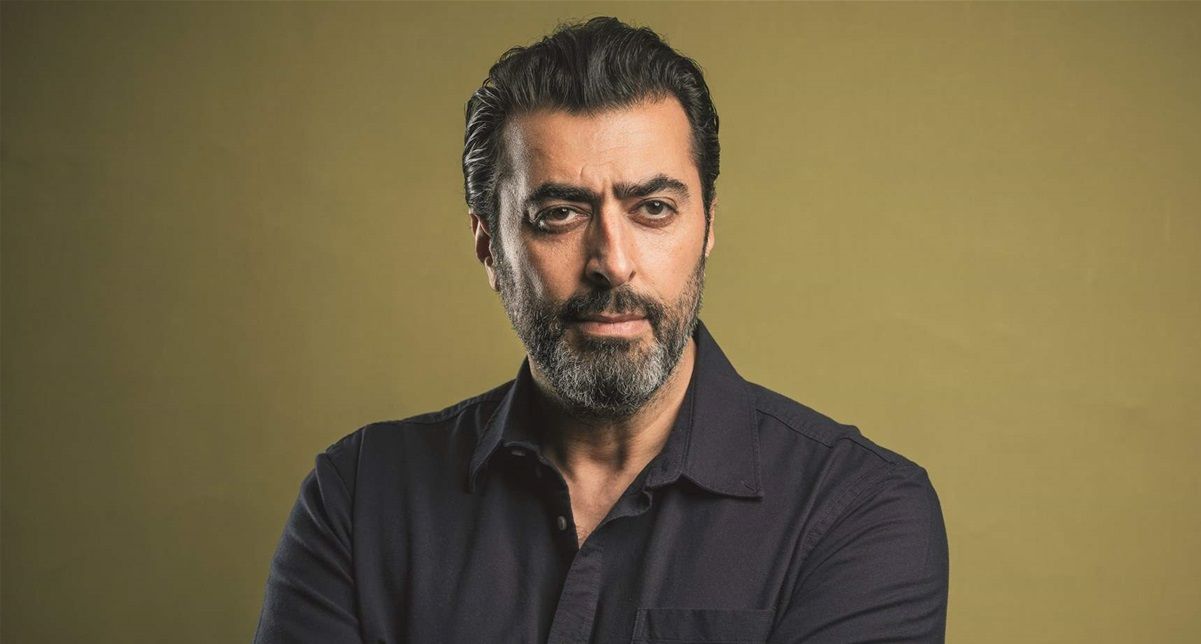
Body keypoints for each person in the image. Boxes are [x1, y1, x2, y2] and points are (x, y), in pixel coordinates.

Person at [254, 16, 948, 644]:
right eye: (560, 214)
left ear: (708, 226)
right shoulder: (361, 495)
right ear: (489, 246)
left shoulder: (859, 509)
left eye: (654, 208)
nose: (612, 262)